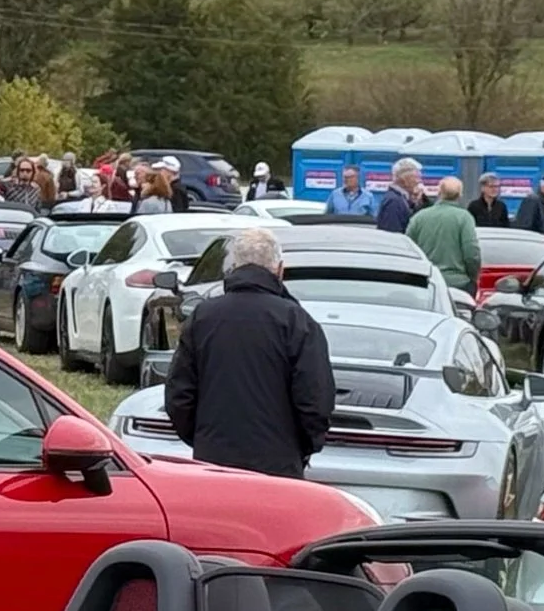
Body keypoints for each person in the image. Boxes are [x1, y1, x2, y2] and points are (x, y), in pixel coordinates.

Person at [162, 229, 335, 479]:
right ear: (279, 270)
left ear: (233, 266)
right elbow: (315, 398)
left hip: (214, 463)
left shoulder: (203, 317)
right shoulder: (296, 322)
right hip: (279, 465)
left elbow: (179, 395)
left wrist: (202, 438)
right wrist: (303, 446)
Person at [407, 174, 481, 293]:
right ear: (460, 195)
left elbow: (409, 248)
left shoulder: (419, 217)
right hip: (457, 283)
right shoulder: (464, 218)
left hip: (426, 280)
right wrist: (473, 277)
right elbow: (471, 252)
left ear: (439, 192)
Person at [376, 156, 423, 233]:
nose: (419, 181)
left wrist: (414, 203)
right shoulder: (394, 202)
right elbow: (392, 233)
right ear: (405, 179)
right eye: (417, 177)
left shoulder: (400, 199)